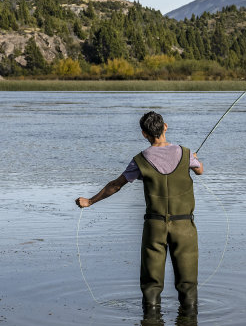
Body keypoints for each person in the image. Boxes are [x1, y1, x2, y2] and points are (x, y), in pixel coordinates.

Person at [76, 111, 203, 310]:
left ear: (144, 134)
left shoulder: (140, 160)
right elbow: (200, 170)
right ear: (165, 127)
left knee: (151, 286)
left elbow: (116, 185)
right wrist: (193, 159)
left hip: (155, 227)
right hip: (184, 226)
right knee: (188, 284)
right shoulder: (185, 153)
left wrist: (90, 201)